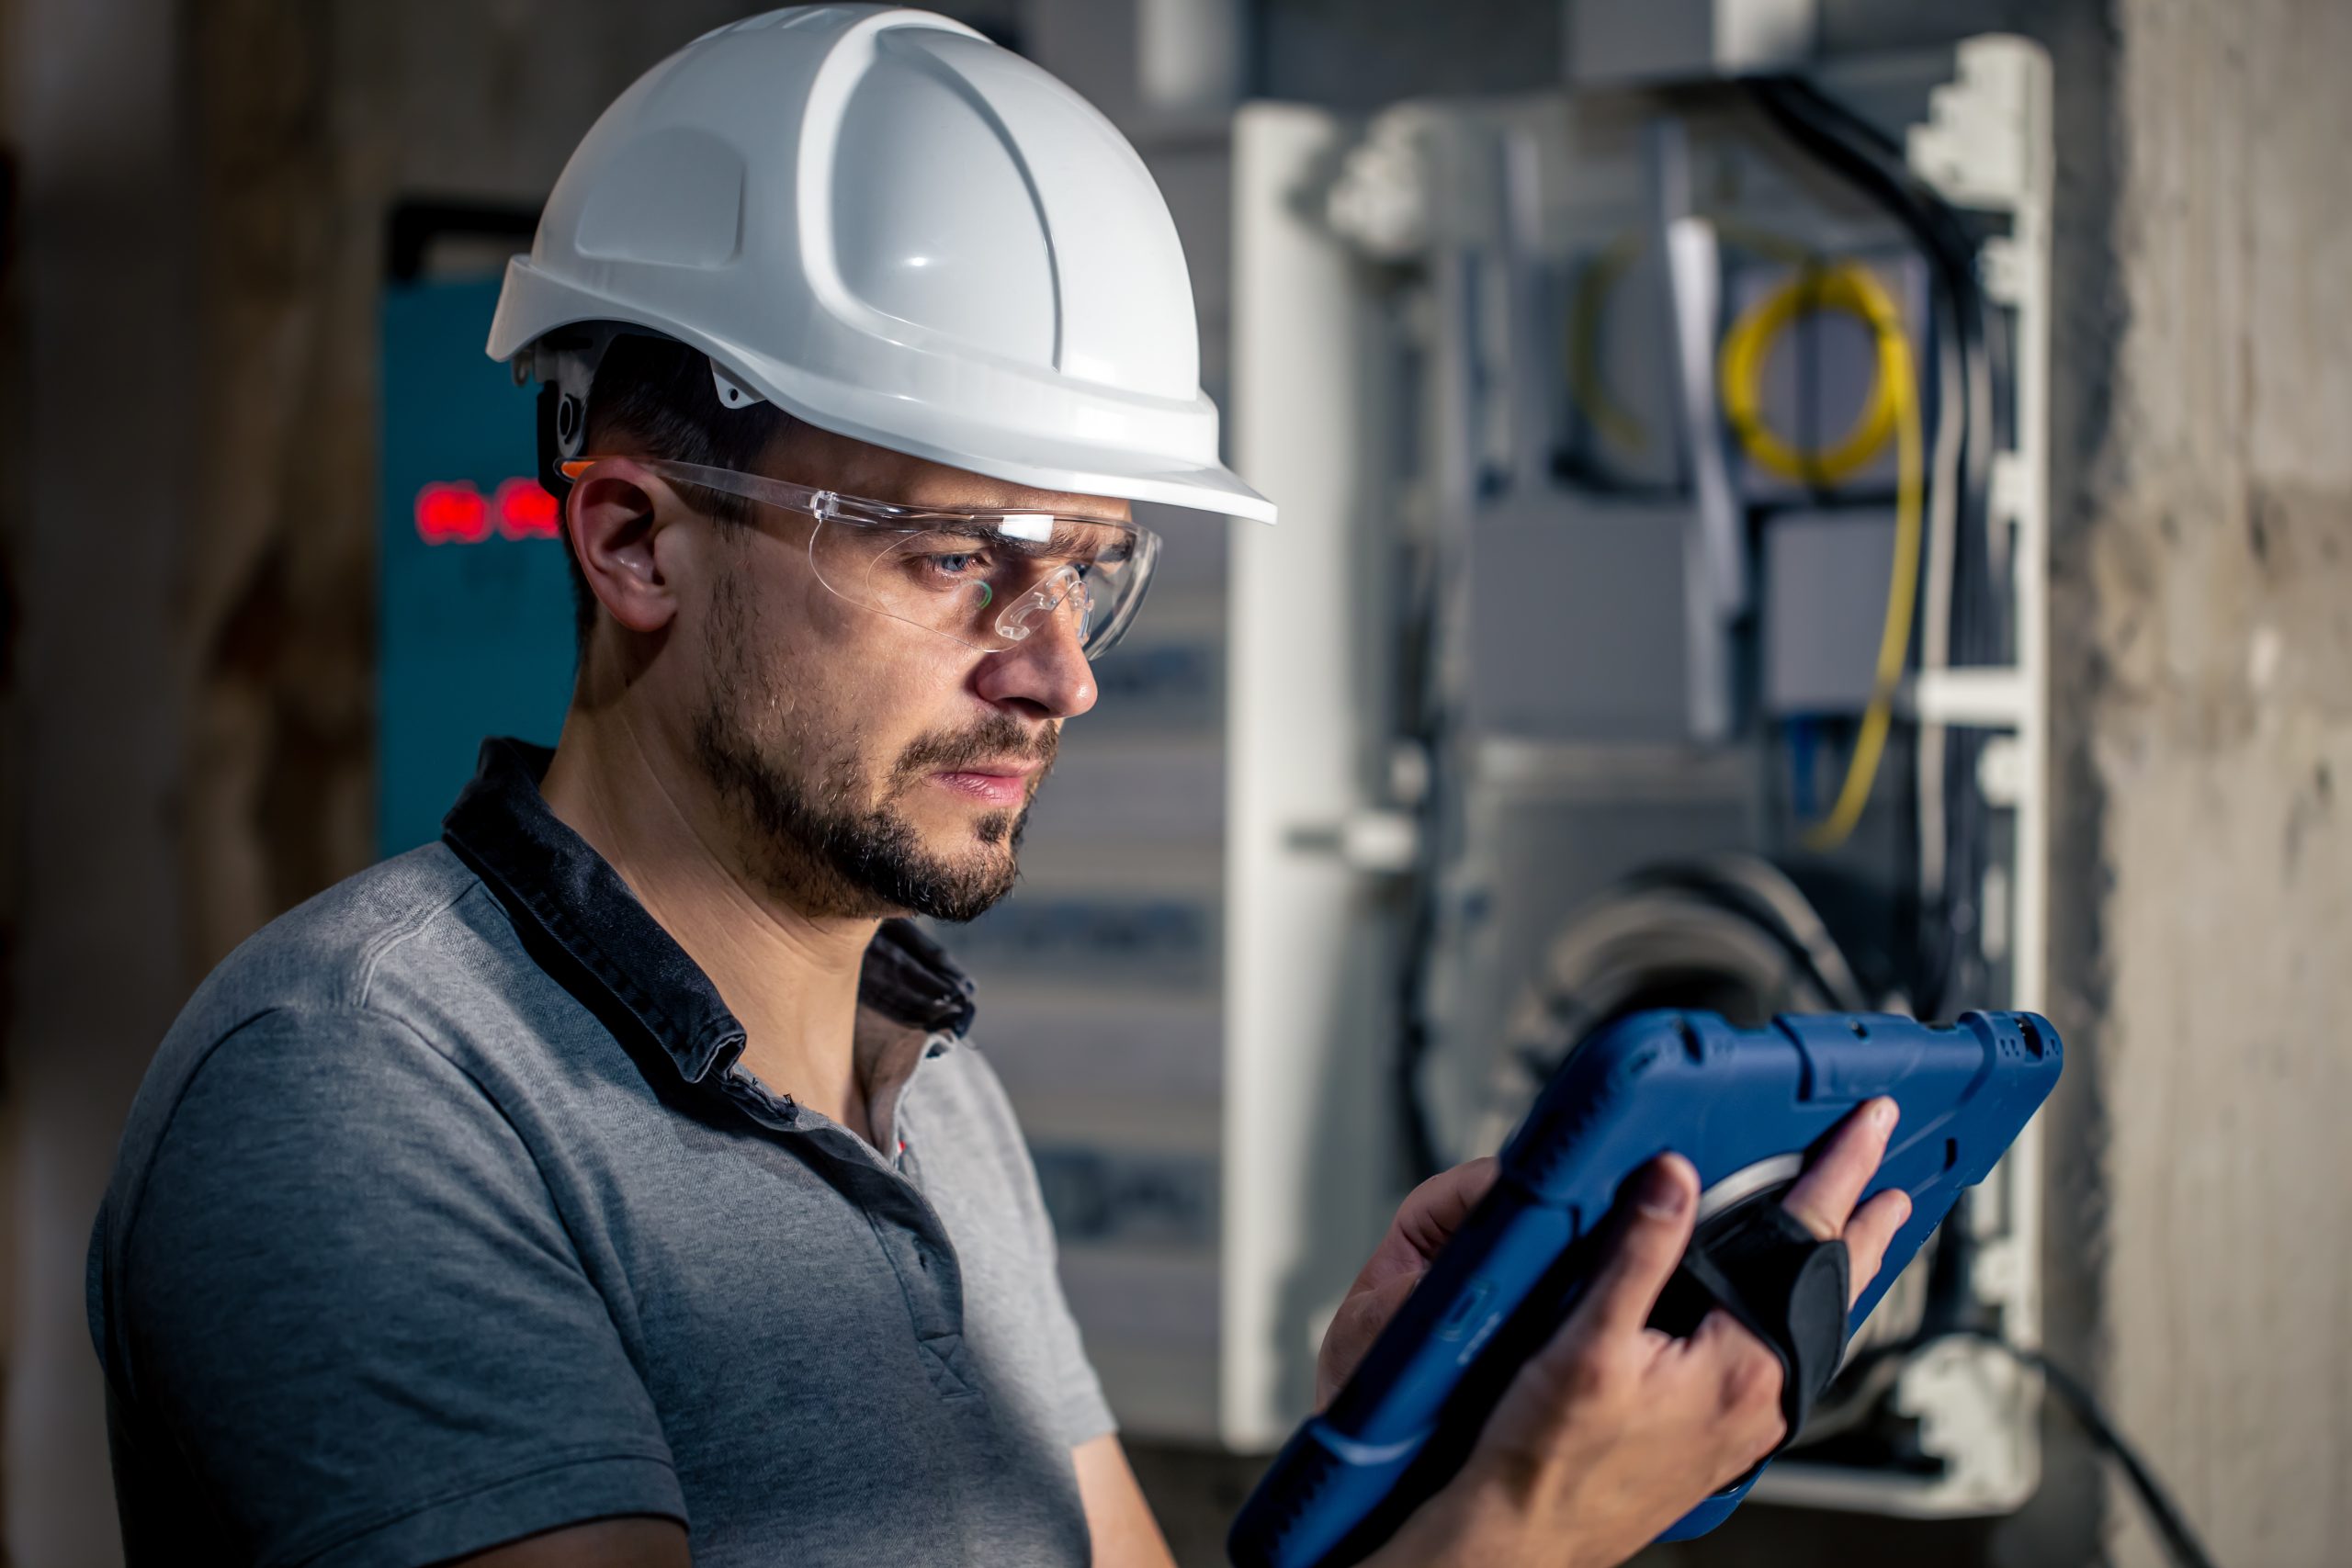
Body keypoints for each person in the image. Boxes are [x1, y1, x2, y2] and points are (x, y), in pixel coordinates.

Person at [86, 9, 1911, 1565]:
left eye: (1087, 571)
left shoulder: (932, 1095)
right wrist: (1509, 1536)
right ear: (635, 537)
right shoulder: (361, 1092)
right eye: (959, 557)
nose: (1060, 671)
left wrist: (1415, 1464)